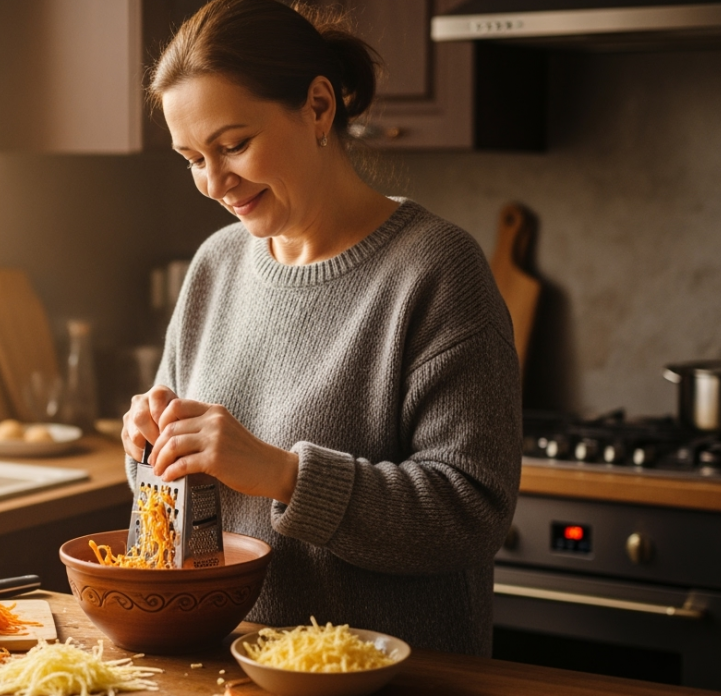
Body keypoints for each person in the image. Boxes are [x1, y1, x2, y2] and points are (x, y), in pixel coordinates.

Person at [120, 0, 521, 657]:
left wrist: (282, 474)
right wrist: (150, 449)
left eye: (233, 145)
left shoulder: (437, 271)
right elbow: (173, 491)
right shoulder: (215, 266)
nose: (215, 182)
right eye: (192, 157)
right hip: (231, 666)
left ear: (318, 107)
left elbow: (469, 514)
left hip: (394, 678)